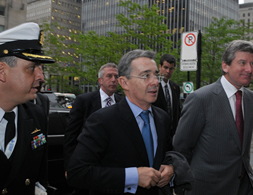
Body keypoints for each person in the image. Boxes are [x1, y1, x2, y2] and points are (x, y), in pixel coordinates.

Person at [67, 50, 174, 195]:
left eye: (156, 75)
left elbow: (168, 153)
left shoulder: (162, 118)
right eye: (145, 76)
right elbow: (78, 173)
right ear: (124, 82)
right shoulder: (102, 121)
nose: (155, 82)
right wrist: (133, 177)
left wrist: (171, 167)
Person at [173, 40, 253, 195]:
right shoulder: (200, 98)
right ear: (225, 66)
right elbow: (181, 146)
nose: (249, 69)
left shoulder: (251, 99)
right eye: (242, 62)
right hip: (207, 188)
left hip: (243, 186)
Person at [0, 22, 55, 194]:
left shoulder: (36, 114)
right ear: (2, 72)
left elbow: (39, 174)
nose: (41, 77)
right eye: (31, 68)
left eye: (41, 68)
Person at [64, 63, 122, 193]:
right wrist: (70, 166)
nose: (113, 79)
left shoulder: (122, 102)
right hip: (89, 167)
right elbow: (71, 136)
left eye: (116, 76)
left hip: (115, 170)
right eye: (109, 76)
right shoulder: (83, 101)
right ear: (100, 80)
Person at [153, 54, 181, 137]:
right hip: (157, 132)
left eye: (171, 68)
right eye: (165, 67)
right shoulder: (153, 85)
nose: (168, 71)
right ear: (160, 67)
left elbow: (177, 112)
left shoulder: (175, 87)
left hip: (173, 134)